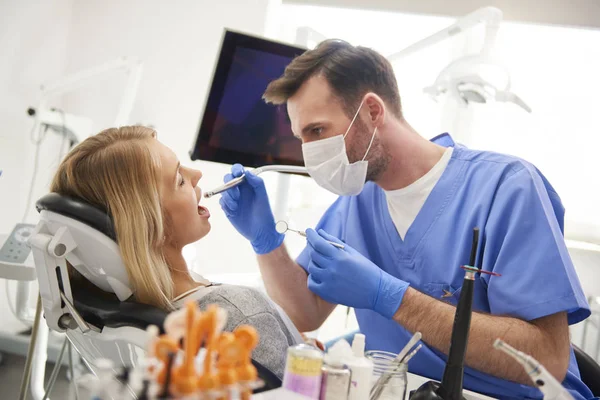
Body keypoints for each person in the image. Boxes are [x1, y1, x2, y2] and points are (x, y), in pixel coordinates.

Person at [219, 40, 594, 399]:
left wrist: (391, 297)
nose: (308, 152)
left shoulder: (506, 188)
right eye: (302, 137)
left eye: (317, 131)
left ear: (371, 111)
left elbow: (547, 358)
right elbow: (306, 311)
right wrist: (266, 241)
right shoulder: (357, 202)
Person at [50, 126, 302, 378]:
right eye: (179, 179)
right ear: (150, 226)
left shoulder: (116, 312)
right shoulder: (238, 313)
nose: (197, 173)